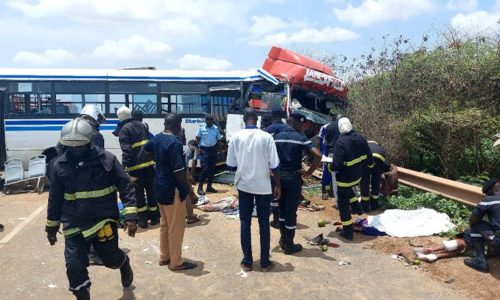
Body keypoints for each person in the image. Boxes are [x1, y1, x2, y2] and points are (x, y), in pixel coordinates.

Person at [45, 119, 137, 300]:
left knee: (110, 259)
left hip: (102, 221)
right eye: (70, 146)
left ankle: (123, 263)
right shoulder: (59, 165)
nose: (75, 149)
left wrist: (131, 216)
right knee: (74, 267)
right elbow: (54, 198)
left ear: (88, 142)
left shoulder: (107, 160)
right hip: (74, 224)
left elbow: (126, 187)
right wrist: (51, 226)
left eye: (79, 145)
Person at [141, 113, 198, 271]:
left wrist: (159, 160)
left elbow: (145, 150)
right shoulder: (174, 143)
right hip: (172, 190)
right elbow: (179, 172)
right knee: (176, 228)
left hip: (159, 187)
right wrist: (190, 193)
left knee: (165, 225)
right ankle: (176, 262)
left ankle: (164, 257)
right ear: (178, 125)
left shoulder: (157, 138)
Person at [226, 108, 281, 271]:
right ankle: (264, 262)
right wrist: (277, 185)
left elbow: (231, 165)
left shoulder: (236, 137)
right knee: (264, 223)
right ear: (257, 119)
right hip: (263, 186)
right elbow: (275, 165)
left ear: (244, 120)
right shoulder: (267, 137)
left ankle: (247, 261)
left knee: (245, 222)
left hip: (244, 186)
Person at [274, 112, 321, 254]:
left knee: (281, 210)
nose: (303, 127)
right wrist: (309, 172)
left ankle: (283, 240)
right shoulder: (301, 138)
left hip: (278, 179)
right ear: (295, 122)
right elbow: (318, 155)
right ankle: (289, 244)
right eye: (301, 124)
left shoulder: (276, 137)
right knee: (291, 212)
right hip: (293, 179)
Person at [328, 117, 374, 240]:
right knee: (349, 191)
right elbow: (369, 155)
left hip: (344, 179)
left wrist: (329, 167)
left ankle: (348, 232)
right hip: (357, 175)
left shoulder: (340, 142)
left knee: (343, 205)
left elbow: (337, 164)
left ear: (339, 128)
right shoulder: (360, 137)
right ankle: (358, 209)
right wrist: (370, 165)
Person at [114, 106, 158, 229]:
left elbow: (126, 151)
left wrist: (123, 168)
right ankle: (154, 218)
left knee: (138, 195)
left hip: (135, 168)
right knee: (151, 192)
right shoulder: (142, 125)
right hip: (149, 165)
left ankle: (143, 221)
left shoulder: (124, 130)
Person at [463, 178, 500, 272]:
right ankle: (493, 252)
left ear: (490, 191)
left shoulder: (489, 200)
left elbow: (472, 220)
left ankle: (480, 261)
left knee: (476, 224)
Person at [360, 141, 391, 212]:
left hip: (365, 162)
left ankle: (365, 206)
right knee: (376, 182)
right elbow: (386, 165)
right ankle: (374, 205)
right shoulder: (380, 149)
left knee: (364, 183)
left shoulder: (364, 146)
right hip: (378, 163)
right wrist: (386, 176)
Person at [196, 114, 223, 195]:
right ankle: (200, 188)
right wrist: (197, 149)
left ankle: (209, 187)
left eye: (210, 120)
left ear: (212, 120)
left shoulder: (216, 128)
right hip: (204, 150)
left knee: (212, 169)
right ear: (205, 120)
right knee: (204, 169)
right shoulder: (201, 128)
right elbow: (197, 139)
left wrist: (220, 151)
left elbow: (218, 140)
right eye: (207, 120)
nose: (208, 121)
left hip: (213, 150)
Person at [324, 117, 341, 206]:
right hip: (344, 153)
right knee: (347, 177)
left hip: (332, 154)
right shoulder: (344, 126)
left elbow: (326, 142)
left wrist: (326, 155)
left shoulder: (329, 127)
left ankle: (338, 203)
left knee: (334, 179)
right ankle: (353, 200)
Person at [318, 121, 334, 200]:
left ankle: (330, 191)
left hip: (329, 152)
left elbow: (320, 140)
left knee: (328, 172)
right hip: (326, 153)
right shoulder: (325, 127)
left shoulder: (325, 127)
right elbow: (321, 140)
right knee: (327, 172)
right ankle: (325, 192)